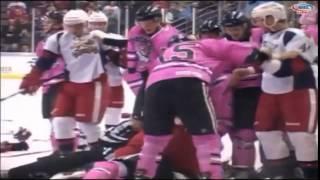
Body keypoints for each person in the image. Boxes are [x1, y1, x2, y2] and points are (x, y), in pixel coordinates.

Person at [134, 34, 257, 179]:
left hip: (155, 83)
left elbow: (145, 85)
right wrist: (262, 57)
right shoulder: (203, 45)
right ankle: (212, 175)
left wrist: (136, 114)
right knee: (207, 139)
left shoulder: (162, 57)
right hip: (190, 78)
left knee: (153, 141)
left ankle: (143, 174)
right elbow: (244, 52)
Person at [19, 9, 126, 154]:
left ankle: (101, 155)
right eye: (69, 26)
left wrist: (123, 55)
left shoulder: (97, 36)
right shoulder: (56, 39)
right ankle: (66, 157)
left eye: (78, 25)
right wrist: (30, 80)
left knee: (87, 125)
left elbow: (118, 57)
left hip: (94, 84)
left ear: (86, 24)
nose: (73, 30)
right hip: (70, 85)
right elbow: (44, 62)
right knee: (60, 122)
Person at [249, 2, 318, 179]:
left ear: (273, 17)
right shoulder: (266, 36)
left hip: (297, 90)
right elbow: (269, 65)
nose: (259, 24)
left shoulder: (296, 35)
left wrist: (262, 60)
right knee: (265, 132)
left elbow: (290, 68)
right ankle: (280, 173)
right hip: (270, 91)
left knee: (301, 136)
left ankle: (309, 174)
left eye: (262, 19)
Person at [218, 10, 264, 178]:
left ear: (246, 25)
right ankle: (239, 168)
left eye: (237, 27)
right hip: (230, 91)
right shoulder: (221, 43)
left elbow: (271, 57)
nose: (233, 32)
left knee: (247, 133)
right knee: (230, 129)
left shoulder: (260, 35)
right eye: (229, 28)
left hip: (257, 90)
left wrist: (251, 69)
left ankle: (245, 170)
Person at [124, 5, 179, 122]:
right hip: (145, 73)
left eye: (148, 22)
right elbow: (131, 48)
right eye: (142, 22)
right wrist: (131, 67)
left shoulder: (171, 35)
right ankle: (141, 116)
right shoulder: (135, 31)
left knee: (159, 100)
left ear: (158, 20)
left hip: (164, 75)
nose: (145, 26)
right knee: (144, 99)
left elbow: (173, 61)